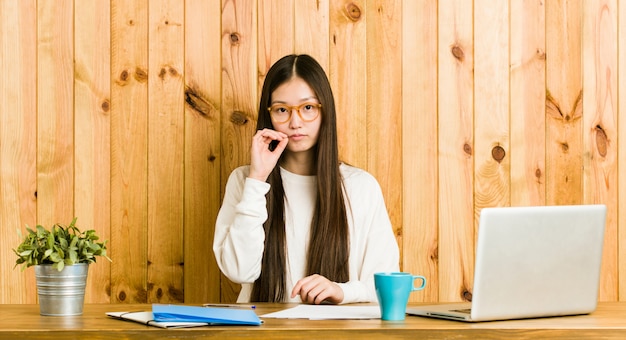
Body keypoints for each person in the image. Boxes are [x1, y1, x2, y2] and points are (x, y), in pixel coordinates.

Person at [213, 54, 399, 304]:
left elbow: (384, 284)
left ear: (325, 111)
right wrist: (257, 179)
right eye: (282, 110)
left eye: (308, 108)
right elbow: (238, 270)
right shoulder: (245, 181)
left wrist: (342, 291)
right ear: (269, 116)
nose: (295, 122)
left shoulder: (361, 187)